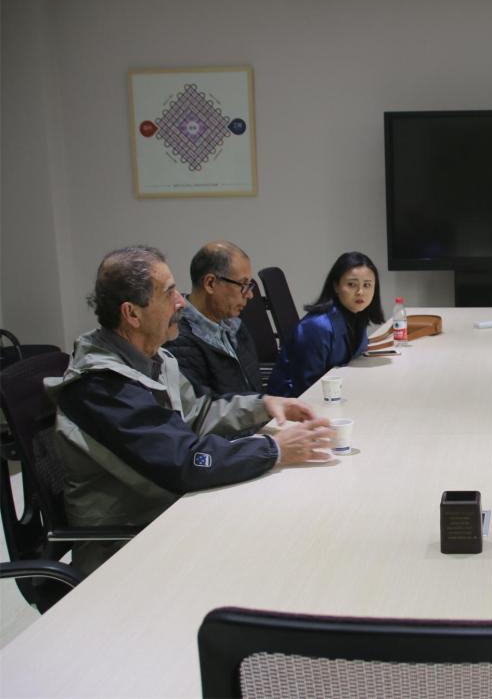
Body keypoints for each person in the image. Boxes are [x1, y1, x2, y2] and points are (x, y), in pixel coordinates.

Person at [48, 246, 334, 575]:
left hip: (171, 516)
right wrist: (273, 449)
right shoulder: (103, 387)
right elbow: (184, 462)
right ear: (132, 314)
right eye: (169, 293)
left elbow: (198, 413)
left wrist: (263, 405)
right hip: (126, 549)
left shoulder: (154, 359)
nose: (181, 302)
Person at [267, 251, 384, 397]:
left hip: (331, 395)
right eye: (352, 284)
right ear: (336, 286)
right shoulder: (317, 326)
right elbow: (306, 386)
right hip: (292, 402)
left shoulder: (357, 314)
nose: (360, 292)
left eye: (367, 285)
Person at [164, 241, 262, 396]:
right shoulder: (178, 340)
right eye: (243, 285)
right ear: (210, 283)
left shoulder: (235, 326)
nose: (249, 295)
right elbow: (204, 408)